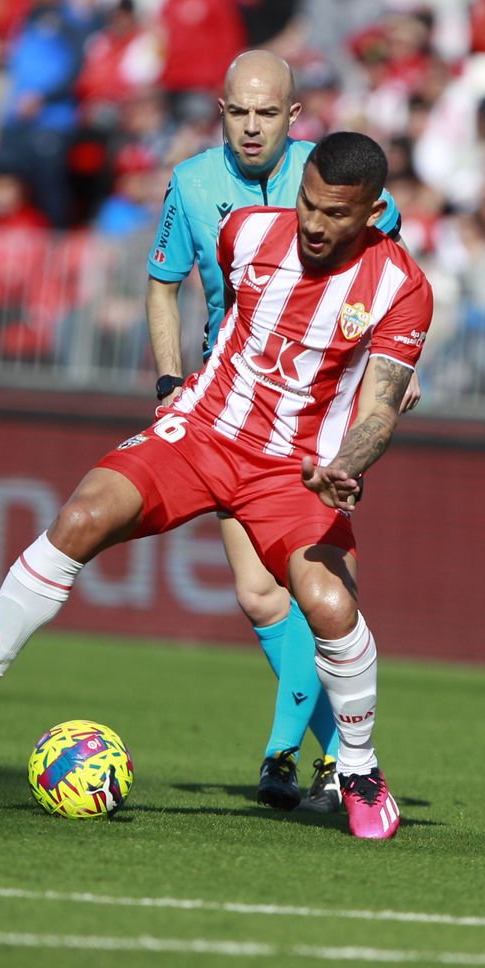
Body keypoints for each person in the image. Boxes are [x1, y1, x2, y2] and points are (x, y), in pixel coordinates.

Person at [0, 131, 433, 840]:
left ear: (371, 214)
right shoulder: (245, 233)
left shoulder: (401, 286)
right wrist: (173, 380)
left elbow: (382, 406)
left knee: (331, 604)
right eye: (307, 202)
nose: (312, 223)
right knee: (83, 515)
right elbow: (207, 309)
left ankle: (358, 769)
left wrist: (346, 467)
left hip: (293, 468)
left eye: (335, 214)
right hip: (203, 432)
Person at [146, 51, 408, 815]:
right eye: (239, 112)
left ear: (293, 116)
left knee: (313, 583)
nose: (252, 126)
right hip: (232, 402)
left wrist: (396, 366)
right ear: (220, 109)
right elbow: (165, 281)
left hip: (324, 400)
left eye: (268, 113)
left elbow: (391, 262)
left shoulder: (330, 176)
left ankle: (321, 757)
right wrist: (169, 383)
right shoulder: (192, 184)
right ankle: (334, 756)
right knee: (261, 596)